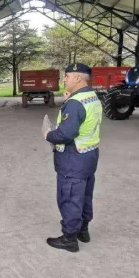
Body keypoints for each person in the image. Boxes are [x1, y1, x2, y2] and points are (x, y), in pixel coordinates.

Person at [44, 63, 102, 253]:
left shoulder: (76, 103)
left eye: (67, 76)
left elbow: (65, 134)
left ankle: (69, 239)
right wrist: (69, 101)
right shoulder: (91, 97)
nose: (64, 79)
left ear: (78, 78)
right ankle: (83, 231)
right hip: (89, 155)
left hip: (73, 158)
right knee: (84, 195)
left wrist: (48, 135)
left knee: (69, 197)